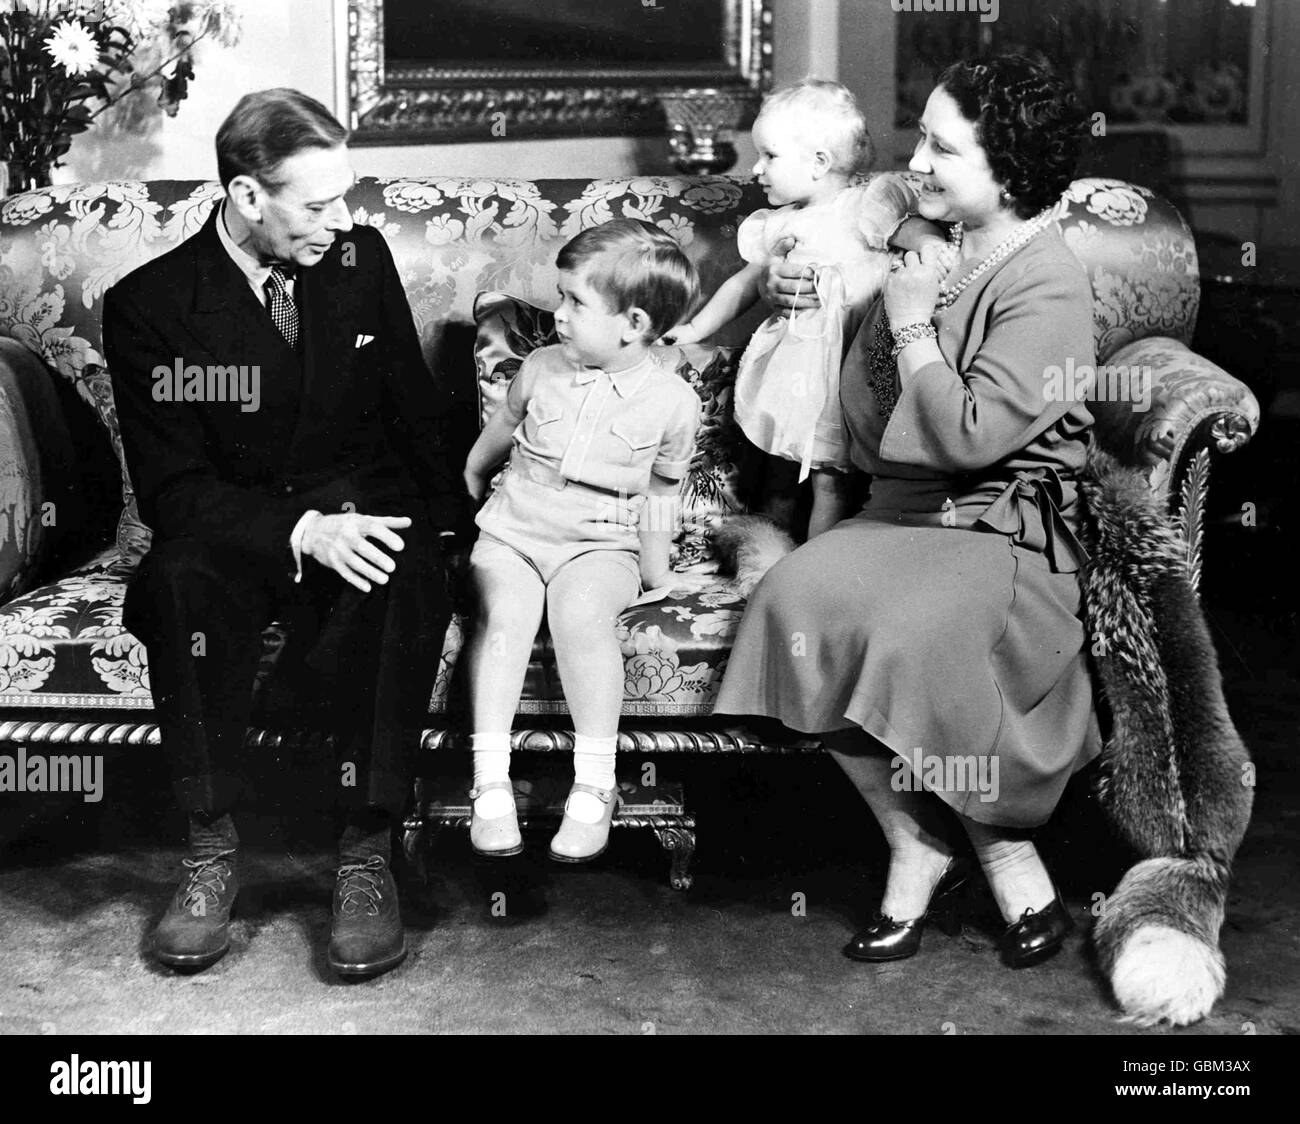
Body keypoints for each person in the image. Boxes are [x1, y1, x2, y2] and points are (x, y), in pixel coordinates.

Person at [715, 54, 1097, 968]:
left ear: (1006, 169)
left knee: (906, 625)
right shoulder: (916, 232)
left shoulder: (1049, 282)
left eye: (942, 146)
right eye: (918, 132)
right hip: (901, 512)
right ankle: (911, 839)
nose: (915, 160)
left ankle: (1002, 850)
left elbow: (969, 438)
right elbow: (855, 380)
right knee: (796, 600)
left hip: (1001, 531)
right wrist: (798, 294)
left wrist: (917, 322)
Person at [102, 89, 467, 979]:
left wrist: (458, 531)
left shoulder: (357, 260)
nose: (340, 221)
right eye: (317, 203)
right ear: (245, 196)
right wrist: (299, 531)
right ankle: (210, 846)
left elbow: (412, 414)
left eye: (345, 197)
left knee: (404, 569)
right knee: (176, 585)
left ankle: (364, 851)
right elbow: (175, 488)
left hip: (358, 503)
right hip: (235, 526)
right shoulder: (153, 306)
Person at [462, 219, 701, 863]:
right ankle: (490, 783)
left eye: (575, 303)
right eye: (560, 297)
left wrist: (656, 570)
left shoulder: (674, 402)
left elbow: (658, 494)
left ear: (635, 323)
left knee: (581, 617)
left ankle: (594, 786)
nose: (558, 315)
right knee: (505, 619)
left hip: (599, 543)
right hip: (514, 531)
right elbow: (504, 427)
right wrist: (472, 471)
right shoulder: (541, 366)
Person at [666, 80, 942, 540]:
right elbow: (745, 284)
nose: (756, 169)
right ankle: (777, 556)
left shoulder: (866, 204)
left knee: (831, 481)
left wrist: (931, 247)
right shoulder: (779, 224)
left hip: (850, 369)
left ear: (819, 162)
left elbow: (910, 229)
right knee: (785, 469)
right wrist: (695, 326)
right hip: (797, 374)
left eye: (769, 156)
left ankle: (816, 567)